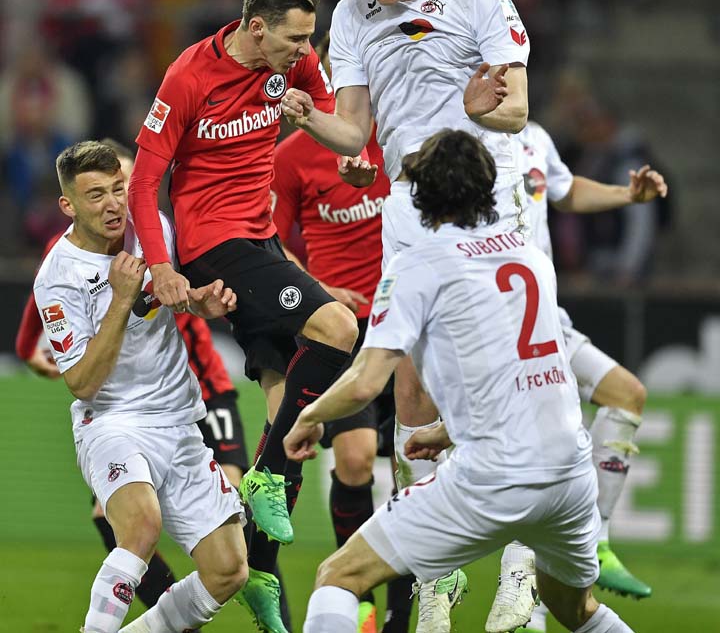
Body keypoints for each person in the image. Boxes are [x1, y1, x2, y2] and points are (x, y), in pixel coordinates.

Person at [281, 0, 529, 630]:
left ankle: (520, 569)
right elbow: (356, 134)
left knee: (505, 380)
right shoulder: (355, 15)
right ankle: (437, 581)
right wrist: (309, 117)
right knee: (414, 392)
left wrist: (486, 110)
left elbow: (515, 107)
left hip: (489, 199)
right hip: (409, 208)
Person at [283, 129, 636, 633]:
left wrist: (311, 415)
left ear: (417, 194)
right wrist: (449, 432)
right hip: (571, 477)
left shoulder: (417, 264)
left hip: (495, 476)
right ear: (489, 188)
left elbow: (366, 381)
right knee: (575, 610)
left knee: (338, 576)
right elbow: (531, 374)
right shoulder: (530, 257)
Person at [128, 0, 358, 633]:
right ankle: (262, 472)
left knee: (291, 395)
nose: (303, 49)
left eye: (308, 37)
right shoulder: (188, 76)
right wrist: (162, 266)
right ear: (257, 28)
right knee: (339, 327)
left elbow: (346, 134)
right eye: (293, 38)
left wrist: (312, 117)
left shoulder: (299, 66)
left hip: (262, 244)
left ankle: (260, 570)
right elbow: (146, 183)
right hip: (212, 244)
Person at [33, 141, 247, 633]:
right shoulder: (58, 278)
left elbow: (169, 296)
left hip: (179, 418)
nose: (112, 205)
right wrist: (120, 298)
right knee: (142, 526)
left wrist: (198, 303)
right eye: (95, 196)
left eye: (118, 190)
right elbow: (81, 382)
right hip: (113, 421)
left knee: (229, 569)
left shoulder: (152, 230)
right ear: (68, 205)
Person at [494, 120, 665, 633]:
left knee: (627, 394)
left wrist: (627, 195)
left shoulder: (537, 138)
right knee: (541, 452)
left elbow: (565, 190)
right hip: (496, 319)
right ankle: (520, 597)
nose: (506, 74)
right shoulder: (459, 135)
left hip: (547, 319)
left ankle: (597, 537)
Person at [273, 123, 414, 633]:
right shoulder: (292, 156)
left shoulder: (399, 136)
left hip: (406, 325)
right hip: (344, 329)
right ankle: (360, 600)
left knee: (410, 474)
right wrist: (319, 288)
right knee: (354, 460)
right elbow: (268, 239)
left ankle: (402, 616)